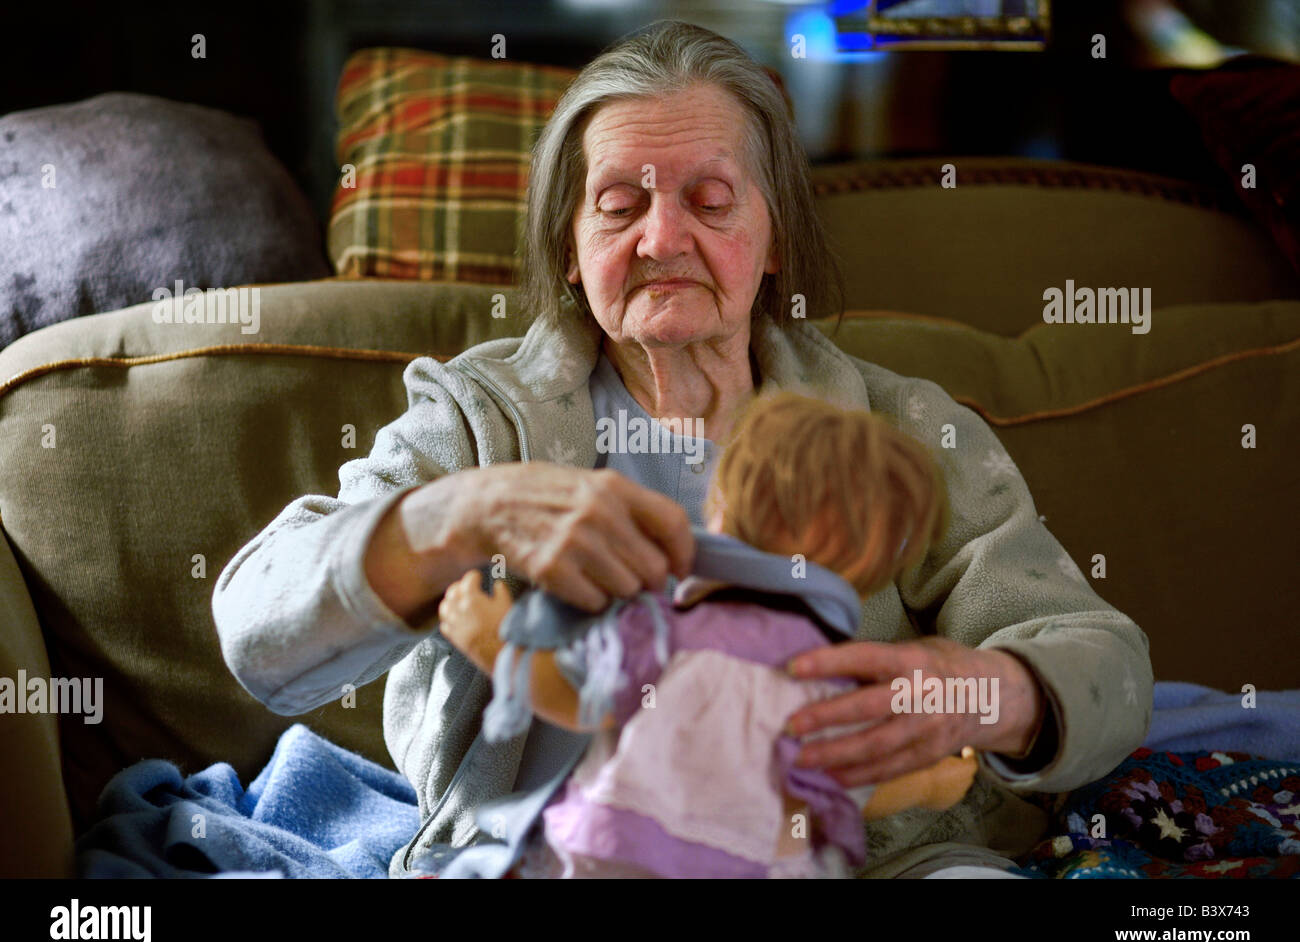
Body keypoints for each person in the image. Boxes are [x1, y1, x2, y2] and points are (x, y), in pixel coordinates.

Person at [213, 19, 1153, 879]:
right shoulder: (475, 420)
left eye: (711, 200)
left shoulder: (897, 425)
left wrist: (989, 690)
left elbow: (1102, 659)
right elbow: (259, 632)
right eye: (620, 205)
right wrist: (456, 518)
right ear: (571, 252)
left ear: (773, 234)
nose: (666, 238)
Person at [435, 390, 982, 878]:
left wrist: (492, 643)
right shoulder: (836, 680)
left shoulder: (663, 626)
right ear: (868, 574)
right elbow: (852, 786)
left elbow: (578, 701)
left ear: (719, 511)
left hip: (620, 852)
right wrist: (930, 784)